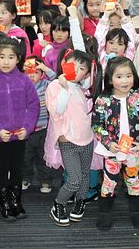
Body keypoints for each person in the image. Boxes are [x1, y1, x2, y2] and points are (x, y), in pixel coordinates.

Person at [0, 38, 40, 222]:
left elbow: (33, 105)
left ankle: (16, 201)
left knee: (16, 168)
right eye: (1, 57)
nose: (6, 61)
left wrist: (27, 127)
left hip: (19, 135)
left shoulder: (24, 80)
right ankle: (4, 203)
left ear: (18, 59)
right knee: (2, 169)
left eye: (10, 57)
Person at [92, 57, 139, 230]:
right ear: (110, 79)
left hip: (133, 149)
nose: (124, 81)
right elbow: (96, 125)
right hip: (112, 150)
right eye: (119, 76)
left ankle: (136, 212)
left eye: (128, 75)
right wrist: (108, 142)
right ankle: (105, 213)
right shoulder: (103, 100)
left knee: (133, 180)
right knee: (109, 182)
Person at [46, 49, 99, 227]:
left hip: (87, 139)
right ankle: (58, 204)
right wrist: (64, 87)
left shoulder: (82, 89)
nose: (76, 69)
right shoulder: (55, 86)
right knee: (74, 179)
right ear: (64, 63)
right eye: (73, 64)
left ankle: (80, 201)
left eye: (82, 68)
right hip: (68, 141)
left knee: (85, 175)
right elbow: (57, 111)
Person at [21, 57, 55, 194]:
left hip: (43, 129)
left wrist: (47, 69)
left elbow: (58, 80)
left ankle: (45, 180)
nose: (31, 75)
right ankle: (25, 178)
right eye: (28, 72)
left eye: (36, 72)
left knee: (43, 156)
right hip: (25, 130)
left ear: (42, 74)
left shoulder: (46, 84)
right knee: (25, 157)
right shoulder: (21, 85)